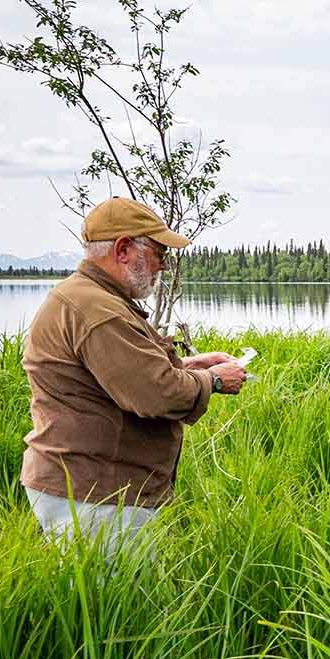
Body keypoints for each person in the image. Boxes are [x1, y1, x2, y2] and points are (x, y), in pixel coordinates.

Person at [20, 197, 246, 550]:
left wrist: (191, 366)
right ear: (123, 249)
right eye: (158, 252)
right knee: (109, 586)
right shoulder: (97, 310)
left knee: (98, 585)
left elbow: (118, 376)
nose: (164, 265)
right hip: (97, 492)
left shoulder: (89, 297)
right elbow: (156, 394)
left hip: (91, 484)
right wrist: (213, 380)